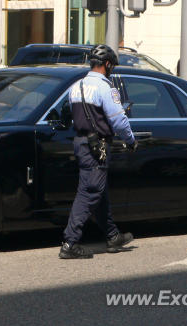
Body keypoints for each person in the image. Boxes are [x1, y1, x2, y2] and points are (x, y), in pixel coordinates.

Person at [59, 44, 137, 259]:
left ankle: (112, 236)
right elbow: (119, 120)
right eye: (112, 66)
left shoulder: (76, 87)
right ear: (107, 64)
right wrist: (130, 140)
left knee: (98, 191)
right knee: (90, 192)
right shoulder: (106, 88)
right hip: (98, 146)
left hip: (81, 143)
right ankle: (70, 243)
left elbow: (68, 114)